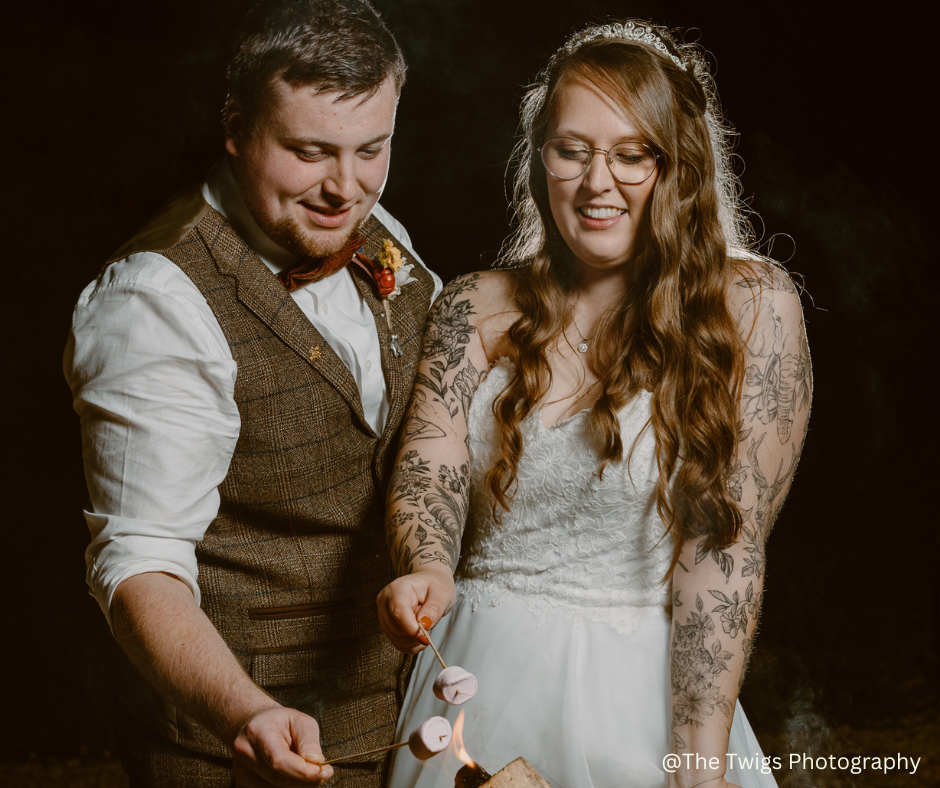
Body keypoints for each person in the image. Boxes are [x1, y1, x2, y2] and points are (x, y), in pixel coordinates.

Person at [377, 19, 810, 788]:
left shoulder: (753, 307)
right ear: (541, 158)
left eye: (630, 155)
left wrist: (695, 763)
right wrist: (426, 566)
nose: (596, 182)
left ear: (677, 165)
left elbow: (725, 549)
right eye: (571, 151)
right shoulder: (474, 305)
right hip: (477, 669)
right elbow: (431, 456)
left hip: (646, 697)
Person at [64, 1, 441, 786]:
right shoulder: (154, 302)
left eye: (373, 149)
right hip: (243, 748)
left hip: (406, 721)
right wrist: (246, 712)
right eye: (309, 151)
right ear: (235, 127)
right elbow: (140, 565)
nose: (346, 188)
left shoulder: (377, 233)